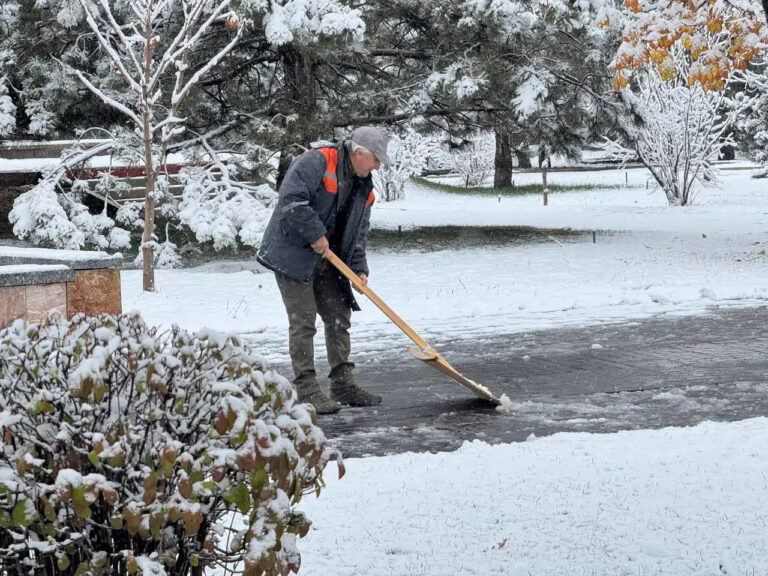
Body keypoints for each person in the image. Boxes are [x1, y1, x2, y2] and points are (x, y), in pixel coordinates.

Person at [257, 126, 391, 414]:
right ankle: (306, 389)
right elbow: (291, 200)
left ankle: (343, 383)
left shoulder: (364, 187)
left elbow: (357, 233)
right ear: (359, 154)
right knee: (304, 320)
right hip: (292, 253)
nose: (379, 166)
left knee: (339, 314)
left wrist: (358, 268)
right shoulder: (317, 161)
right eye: (376, 159)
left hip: (327, 258)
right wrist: (316, 234)